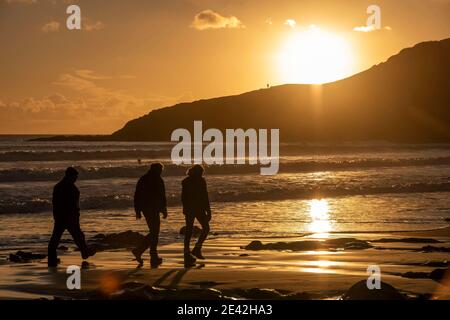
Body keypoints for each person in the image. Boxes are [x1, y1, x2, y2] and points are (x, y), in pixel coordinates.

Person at [48, 167, 95, 267]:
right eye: (75, 177)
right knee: (78, 236)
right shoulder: (72, 189)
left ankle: (52, 259)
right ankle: (85, 252)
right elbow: (74, 206)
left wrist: (56, 217)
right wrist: (75, 217)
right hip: (69, 217)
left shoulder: (58, 187)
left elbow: (55, 204)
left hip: (60, 217)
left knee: (55, 239)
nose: (76, 179)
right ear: (70, 176)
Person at [132, 163, 167, 267]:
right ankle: (142, 251)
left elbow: (137, 195)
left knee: (154, 232)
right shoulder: (158, 180)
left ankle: (151, 255)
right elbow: (162, 196)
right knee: (154, 232)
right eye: (160, 170)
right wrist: (164, 210)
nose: (161, 172)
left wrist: (137, 210)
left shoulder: (143, 179)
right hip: (153, 209)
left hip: (145, 208)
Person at [182, 164, 211, 267]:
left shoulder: (186, 181)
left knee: (190, 230)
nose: (201, 174)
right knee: (204, 228)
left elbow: (184, 197)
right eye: (201, 172)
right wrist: (208, 211)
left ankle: (191, 251)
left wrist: (185, 209)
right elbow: (205, 196)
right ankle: (194, 249)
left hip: (192, 209)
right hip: (197, 209)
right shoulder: (199, 181)